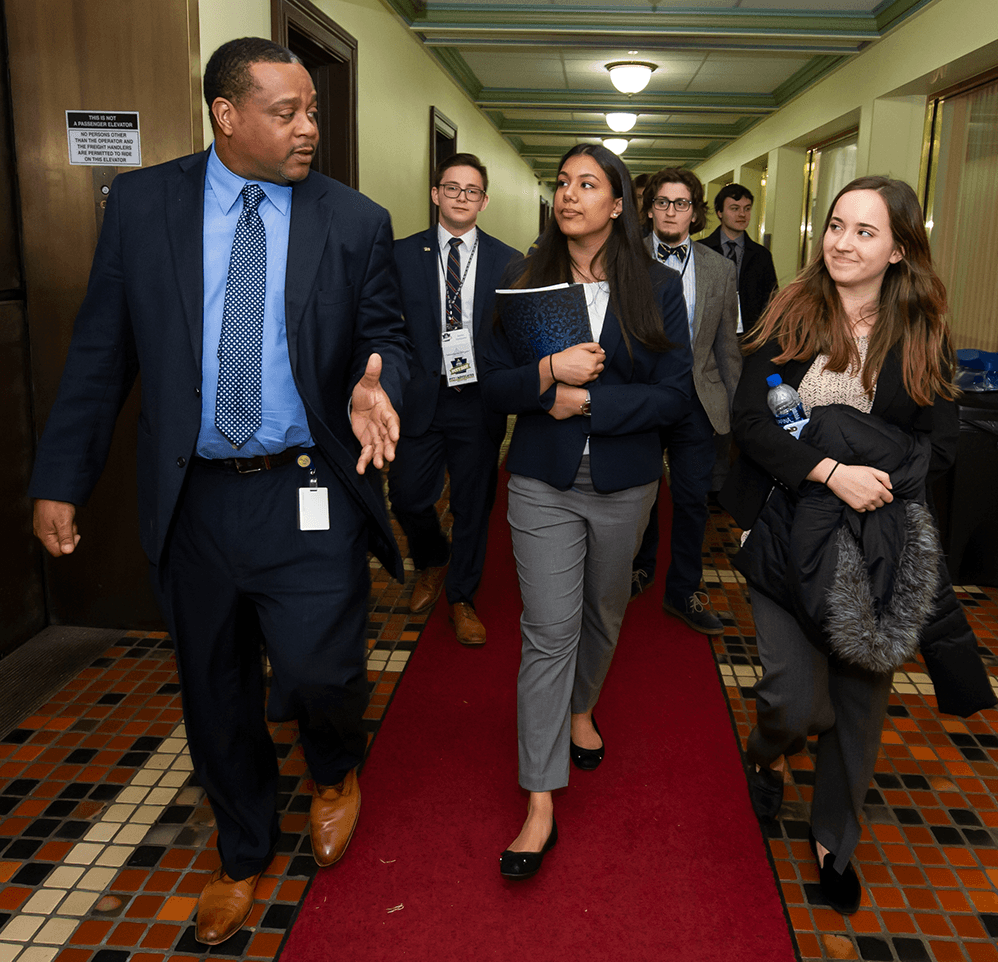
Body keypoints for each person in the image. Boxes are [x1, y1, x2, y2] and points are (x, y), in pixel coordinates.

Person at [28, 38, 409, 945]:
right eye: (288, 112)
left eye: (313, 108)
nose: (310, 127)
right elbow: (99, 354)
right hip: (194, 497)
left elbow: (387, 338)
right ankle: (243, 850)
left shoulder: (353, 220)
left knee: (322, 671)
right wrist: (59, 480)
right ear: (226, 114)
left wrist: (377, 383)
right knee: (214, 687)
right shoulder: (144, 205)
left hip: (306, 488)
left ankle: (332, 766)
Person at [720, 176, 965, 915]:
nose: (842, 242)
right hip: (780, 534)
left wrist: (869, 475)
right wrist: (829, 468)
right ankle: (766, 757)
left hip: (872, 547)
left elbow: (941, 448)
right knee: (794, 702)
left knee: (857, 705)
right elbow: (753, 420)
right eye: (835, 225)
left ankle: (834, 840)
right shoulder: (789, 314)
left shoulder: (923, 330)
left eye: (864, 231)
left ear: (897, 249)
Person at [480, 144, 692, 880]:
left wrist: (590, 401)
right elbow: (492, 385)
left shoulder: (656, 288)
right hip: (540, 479)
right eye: (562, 183)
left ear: (616, 205)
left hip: (625, 482)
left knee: (602, 614)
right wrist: (546, 375)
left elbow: (674, 395)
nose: (569, 195)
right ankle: (539, 802)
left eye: (587, 184)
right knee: (547, 630)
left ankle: (582, 708)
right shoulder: (520, 281)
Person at [389, 153, 517, 645]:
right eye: (452, 188)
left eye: (472, 191)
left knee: (472, 504)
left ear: (483, 201)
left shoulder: (510, 261)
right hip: (421, 395)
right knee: (406, 496)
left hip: (478, 399)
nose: (462, 197)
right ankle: (432, 559)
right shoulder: (401, 254)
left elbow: (515, 333)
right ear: (435, 194)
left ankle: (462, 596)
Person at [630, 168, 742, 633]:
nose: (672, 211)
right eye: (663, 202)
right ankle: (640, 565)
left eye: (681, 203)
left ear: (695, 212)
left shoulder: (719, 267)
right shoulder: (625, 259)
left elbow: (726, 346)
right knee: (641, 492)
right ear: (650, 207)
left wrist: (737, 413)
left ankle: (683, 590)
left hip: (699, 398)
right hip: (643, 396)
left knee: (693, 499)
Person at [700, 183, 777, 333]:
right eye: (734, 208)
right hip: (708, 337)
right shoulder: (701, 251)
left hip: (750, 339)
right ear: (719, 212)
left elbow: (771, 301)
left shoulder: (762, 255)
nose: (742, 214)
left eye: (747, 209)